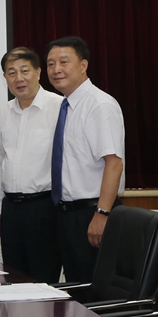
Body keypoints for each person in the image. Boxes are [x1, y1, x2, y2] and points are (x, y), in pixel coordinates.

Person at [45, 36, 124, 283]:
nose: (56, 69)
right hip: (67, 215)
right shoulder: (66, 106)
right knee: (76, 289)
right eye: (50, 64)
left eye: (64, 62)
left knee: (96, 289)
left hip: (93, 212)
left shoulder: (99, 104)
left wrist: (102, 213)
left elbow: (114, 163)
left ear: (83, 65)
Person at [0, 47, 62, 283]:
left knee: (44, 279)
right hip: (11, 210)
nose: (18, 78)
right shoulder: (4, 111)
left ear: (38, 72)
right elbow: (1, 160)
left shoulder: (58, 106)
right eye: (11, 73)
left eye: (24, 71)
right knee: (14, 278)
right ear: (5, 77)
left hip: (44, 208)